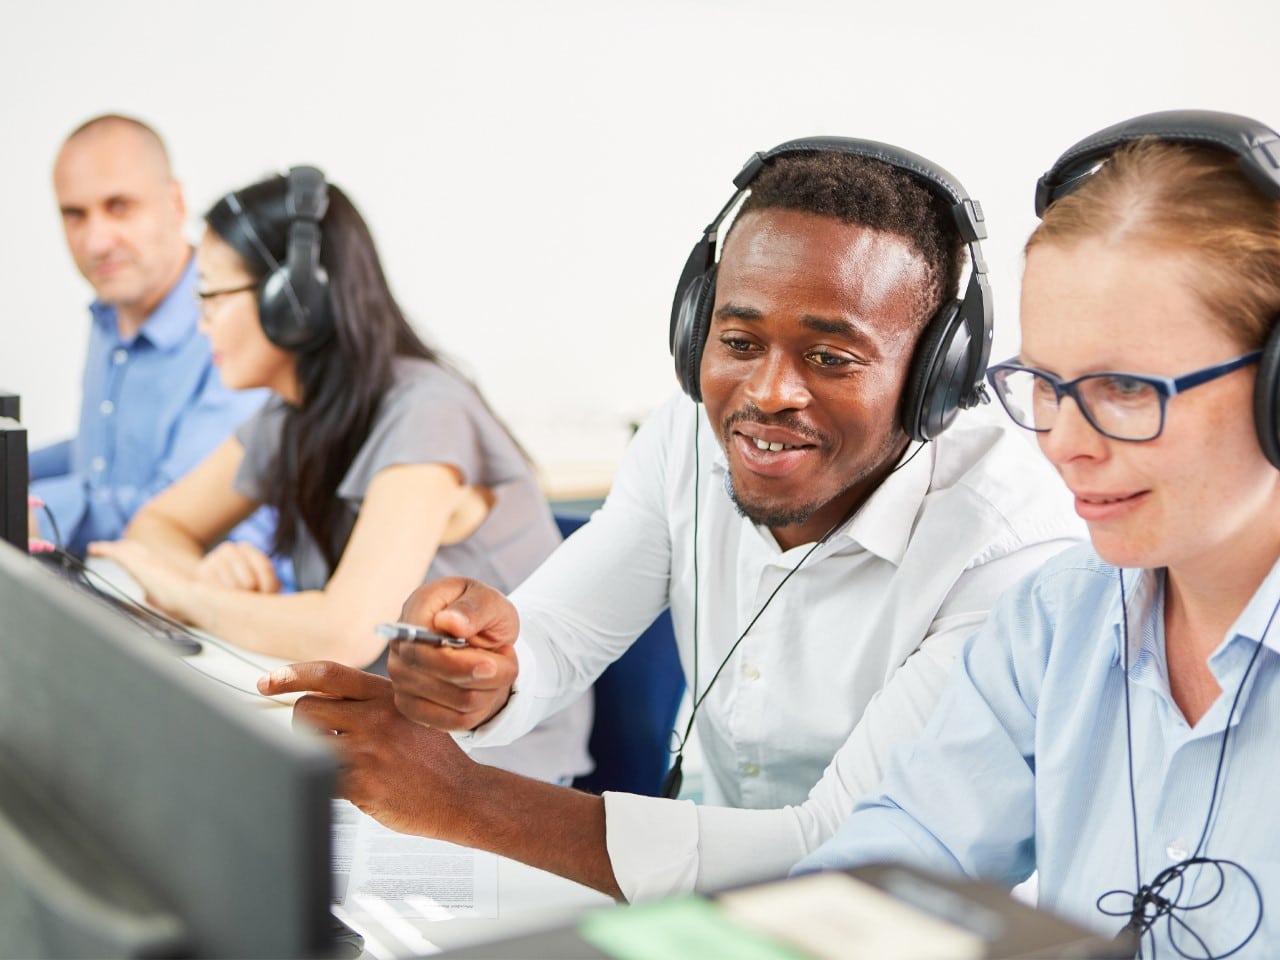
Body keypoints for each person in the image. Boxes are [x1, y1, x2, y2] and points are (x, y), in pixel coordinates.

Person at [260, 140, 1084, 902]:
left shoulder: (1011, 546)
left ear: (936, 376)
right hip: (685, 916)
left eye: (832, 358)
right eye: (737, 339)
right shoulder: (688, 439)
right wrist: (483, 669)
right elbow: (556, 635)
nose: (768, 393)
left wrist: (462, 799)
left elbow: (847, 851)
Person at [796, 111, 1280, 958]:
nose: (1064, 440)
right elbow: (889, 875)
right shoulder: (1052, 625)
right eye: (1044, 383)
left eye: (1126, 388)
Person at [91, 166, 590, 783]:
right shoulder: (293, 414)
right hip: (390, 743)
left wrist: (186, 594)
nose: (201, 324)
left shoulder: (426, 413)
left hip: (494, 773)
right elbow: (157, 525)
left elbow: (345, 633)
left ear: (292, 302)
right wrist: (207, 572)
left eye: (212, 297)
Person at [29, 114, 271, 557]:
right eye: (75, 215)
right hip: (109, 588)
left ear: (175, 203)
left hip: (203, 609)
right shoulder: (111, 312)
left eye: (119, 206)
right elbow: (104, 462)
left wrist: (26, 507)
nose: (97, 241)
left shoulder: (234, 320)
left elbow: (176, 513)